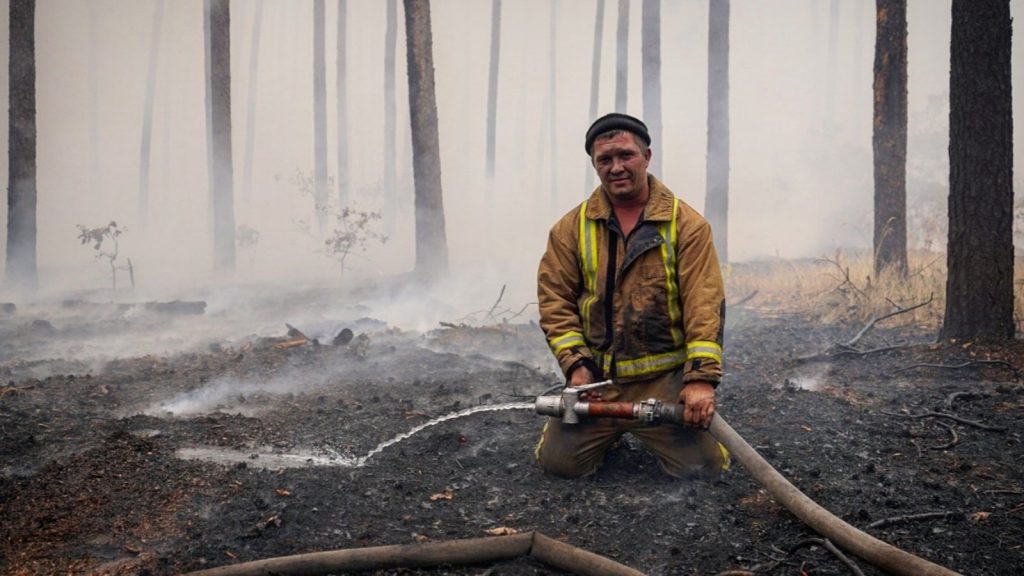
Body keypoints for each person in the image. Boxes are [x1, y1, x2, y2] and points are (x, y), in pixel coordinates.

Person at [535, 112, 729, 479]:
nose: (616, 167)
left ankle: (672, 434)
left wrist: (699, 380)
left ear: (647, 156)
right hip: (598, 385)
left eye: (626, 155)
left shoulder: (687, 226)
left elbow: (704, 306)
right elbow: (554, 302)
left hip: (665, 385)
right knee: (557, 467)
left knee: (705, 471)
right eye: (604, 160)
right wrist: (576, 367)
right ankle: (603, 435)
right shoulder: (569, 230)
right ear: (594, 165)